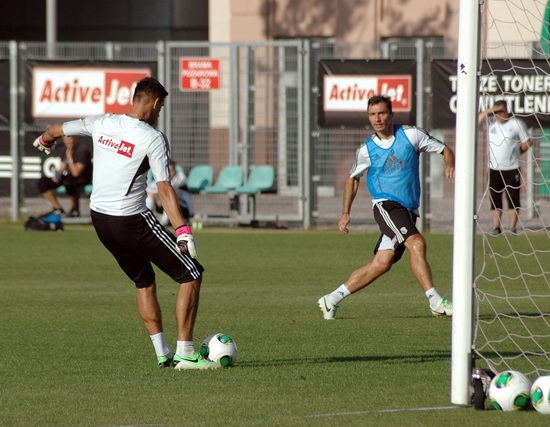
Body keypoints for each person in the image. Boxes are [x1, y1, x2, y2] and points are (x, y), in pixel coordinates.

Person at [33, 77, 217, 370]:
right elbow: (165, 188)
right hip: (131, 220)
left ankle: (162, 353)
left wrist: (45, 140)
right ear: (156, 103)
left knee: (144, 282)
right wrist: (183, 230)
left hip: (101, 221)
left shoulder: (102, 122)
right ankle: (186, 353)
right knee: (191, 275)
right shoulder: (153, 138)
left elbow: (56, 129)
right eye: (161, 106)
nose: (160, 112)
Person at [317, 95, 455, 320]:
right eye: (372, 115)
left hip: (408, 210)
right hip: (386, 205)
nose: (377, 119)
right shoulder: (367, 149)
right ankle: (435, 301)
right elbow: (352, 179)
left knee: (381, 264)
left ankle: (330, 299)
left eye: (381, 113)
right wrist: (345, 214)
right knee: (417, 243)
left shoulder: (411, 135)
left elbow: (444, 149)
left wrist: (450, 163)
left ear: (391, 114)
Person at [478, 100, 532, 235]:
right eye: (496, 112)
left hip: (512, 167)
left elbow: (528, 142)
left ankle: (512, 227)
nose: (499, 114)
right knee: (495, 198)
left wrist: (517, 152)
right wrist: (488, 111)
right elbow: (476, 123)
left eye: (501, 111)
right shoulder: (490, 124)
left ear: (507, 111)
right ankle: (496, 227)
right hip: (494, 168)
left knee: (513, 197)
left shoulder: (516, 124)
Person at [36, 135, 92, 217]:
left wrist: (70, 157)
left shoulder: (82, 150)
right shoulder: (66, 150)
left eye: (71, 138)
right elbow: (62, 167)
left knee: (69, 183)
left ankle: (75, 208)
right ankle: (58, 208)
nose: (69, 141)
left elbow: (76, 173)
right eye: (67, 139)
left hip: (82, 178)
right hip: (69, 177)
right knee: (43, 183)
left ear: (76, 138)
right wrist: (56, 176)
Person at [146, 160, 194, 226]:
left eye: (171, 170)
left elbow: (167, 188)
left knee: (168, 195)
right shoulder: (163, 179)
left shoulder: (181, 177)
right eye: (167, 170)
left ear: (174, 170)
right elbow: (149, 188)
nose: (169, 173)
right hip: (167, 208)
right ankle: (147, 218)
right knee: (151, 195)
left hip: (184, 209)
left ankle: (163, 222)